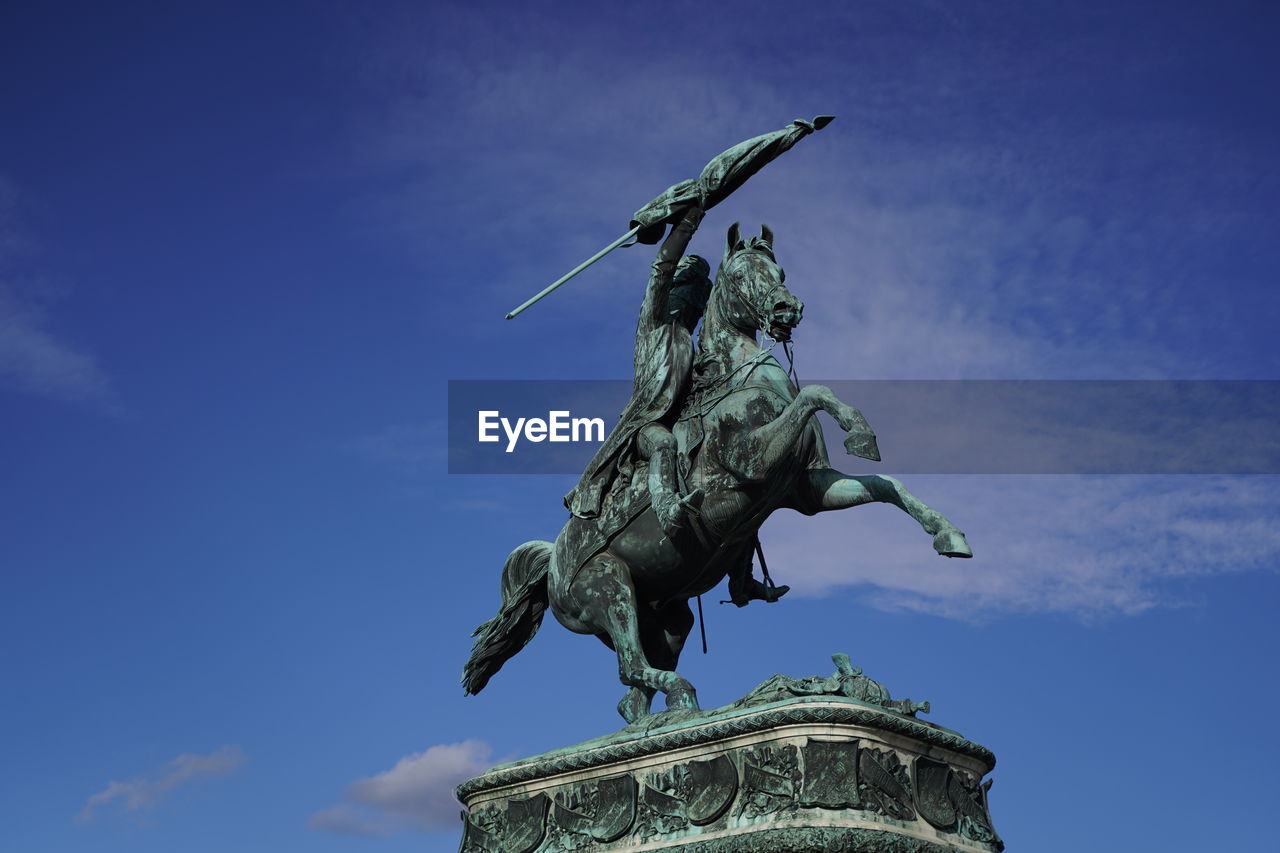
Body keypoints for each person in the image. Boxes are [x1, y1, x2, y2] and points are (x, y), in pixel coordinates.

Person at [565, 204, 710, 538]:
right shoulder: (653, 324)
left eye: (697, 300)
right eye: (687, 293)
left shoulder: (689, 342)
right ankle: (668, 508)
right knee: (663, 444)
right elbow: (662, 269)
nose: (692, 304)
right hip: (644, 426)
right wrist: (687, 224)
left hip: (681, 419)